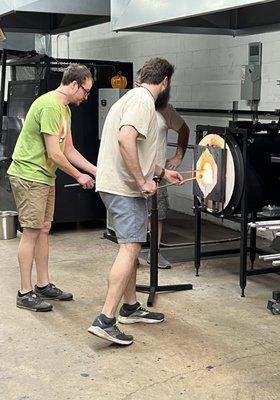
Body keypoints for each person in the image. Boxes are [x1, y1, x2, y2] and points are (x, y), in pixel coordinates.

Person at [88, 58, 182, 346]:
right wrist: (142, 182)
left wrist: (162, 172)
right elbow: (125, 140)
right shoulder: (143, 101)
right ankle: (105, 319)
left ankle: (130, 307)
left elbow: (137, 152)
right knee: (130, 249)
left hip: (115, 185)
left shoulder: (133, 97)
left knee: (128, 245)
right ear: (165, 81)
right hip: (123, 188)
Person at [8, 64, 96, 312]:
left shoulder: (65, 109)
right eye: (86, 91)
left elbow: (70, 150)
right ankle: (24, 292)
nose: (86, 97)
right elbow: (54, 153)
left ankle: (43, 284)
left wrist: (95, 170)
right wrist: (79, 176)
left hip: (45, 176)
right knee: (31, 232)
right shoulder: (49, 106)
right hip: (29, 175)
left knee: (44, 229)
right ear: (74, 85)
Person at [146, 103, 190, 269]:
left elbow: (184, 130)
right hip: (133, 169)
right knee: (134, 211)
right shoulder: (133, 105)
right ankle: (131, 254)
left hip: (158, 172)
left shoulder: (165, 109)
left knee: (158, 213)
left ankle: (154, 253)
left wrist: (178, 157)